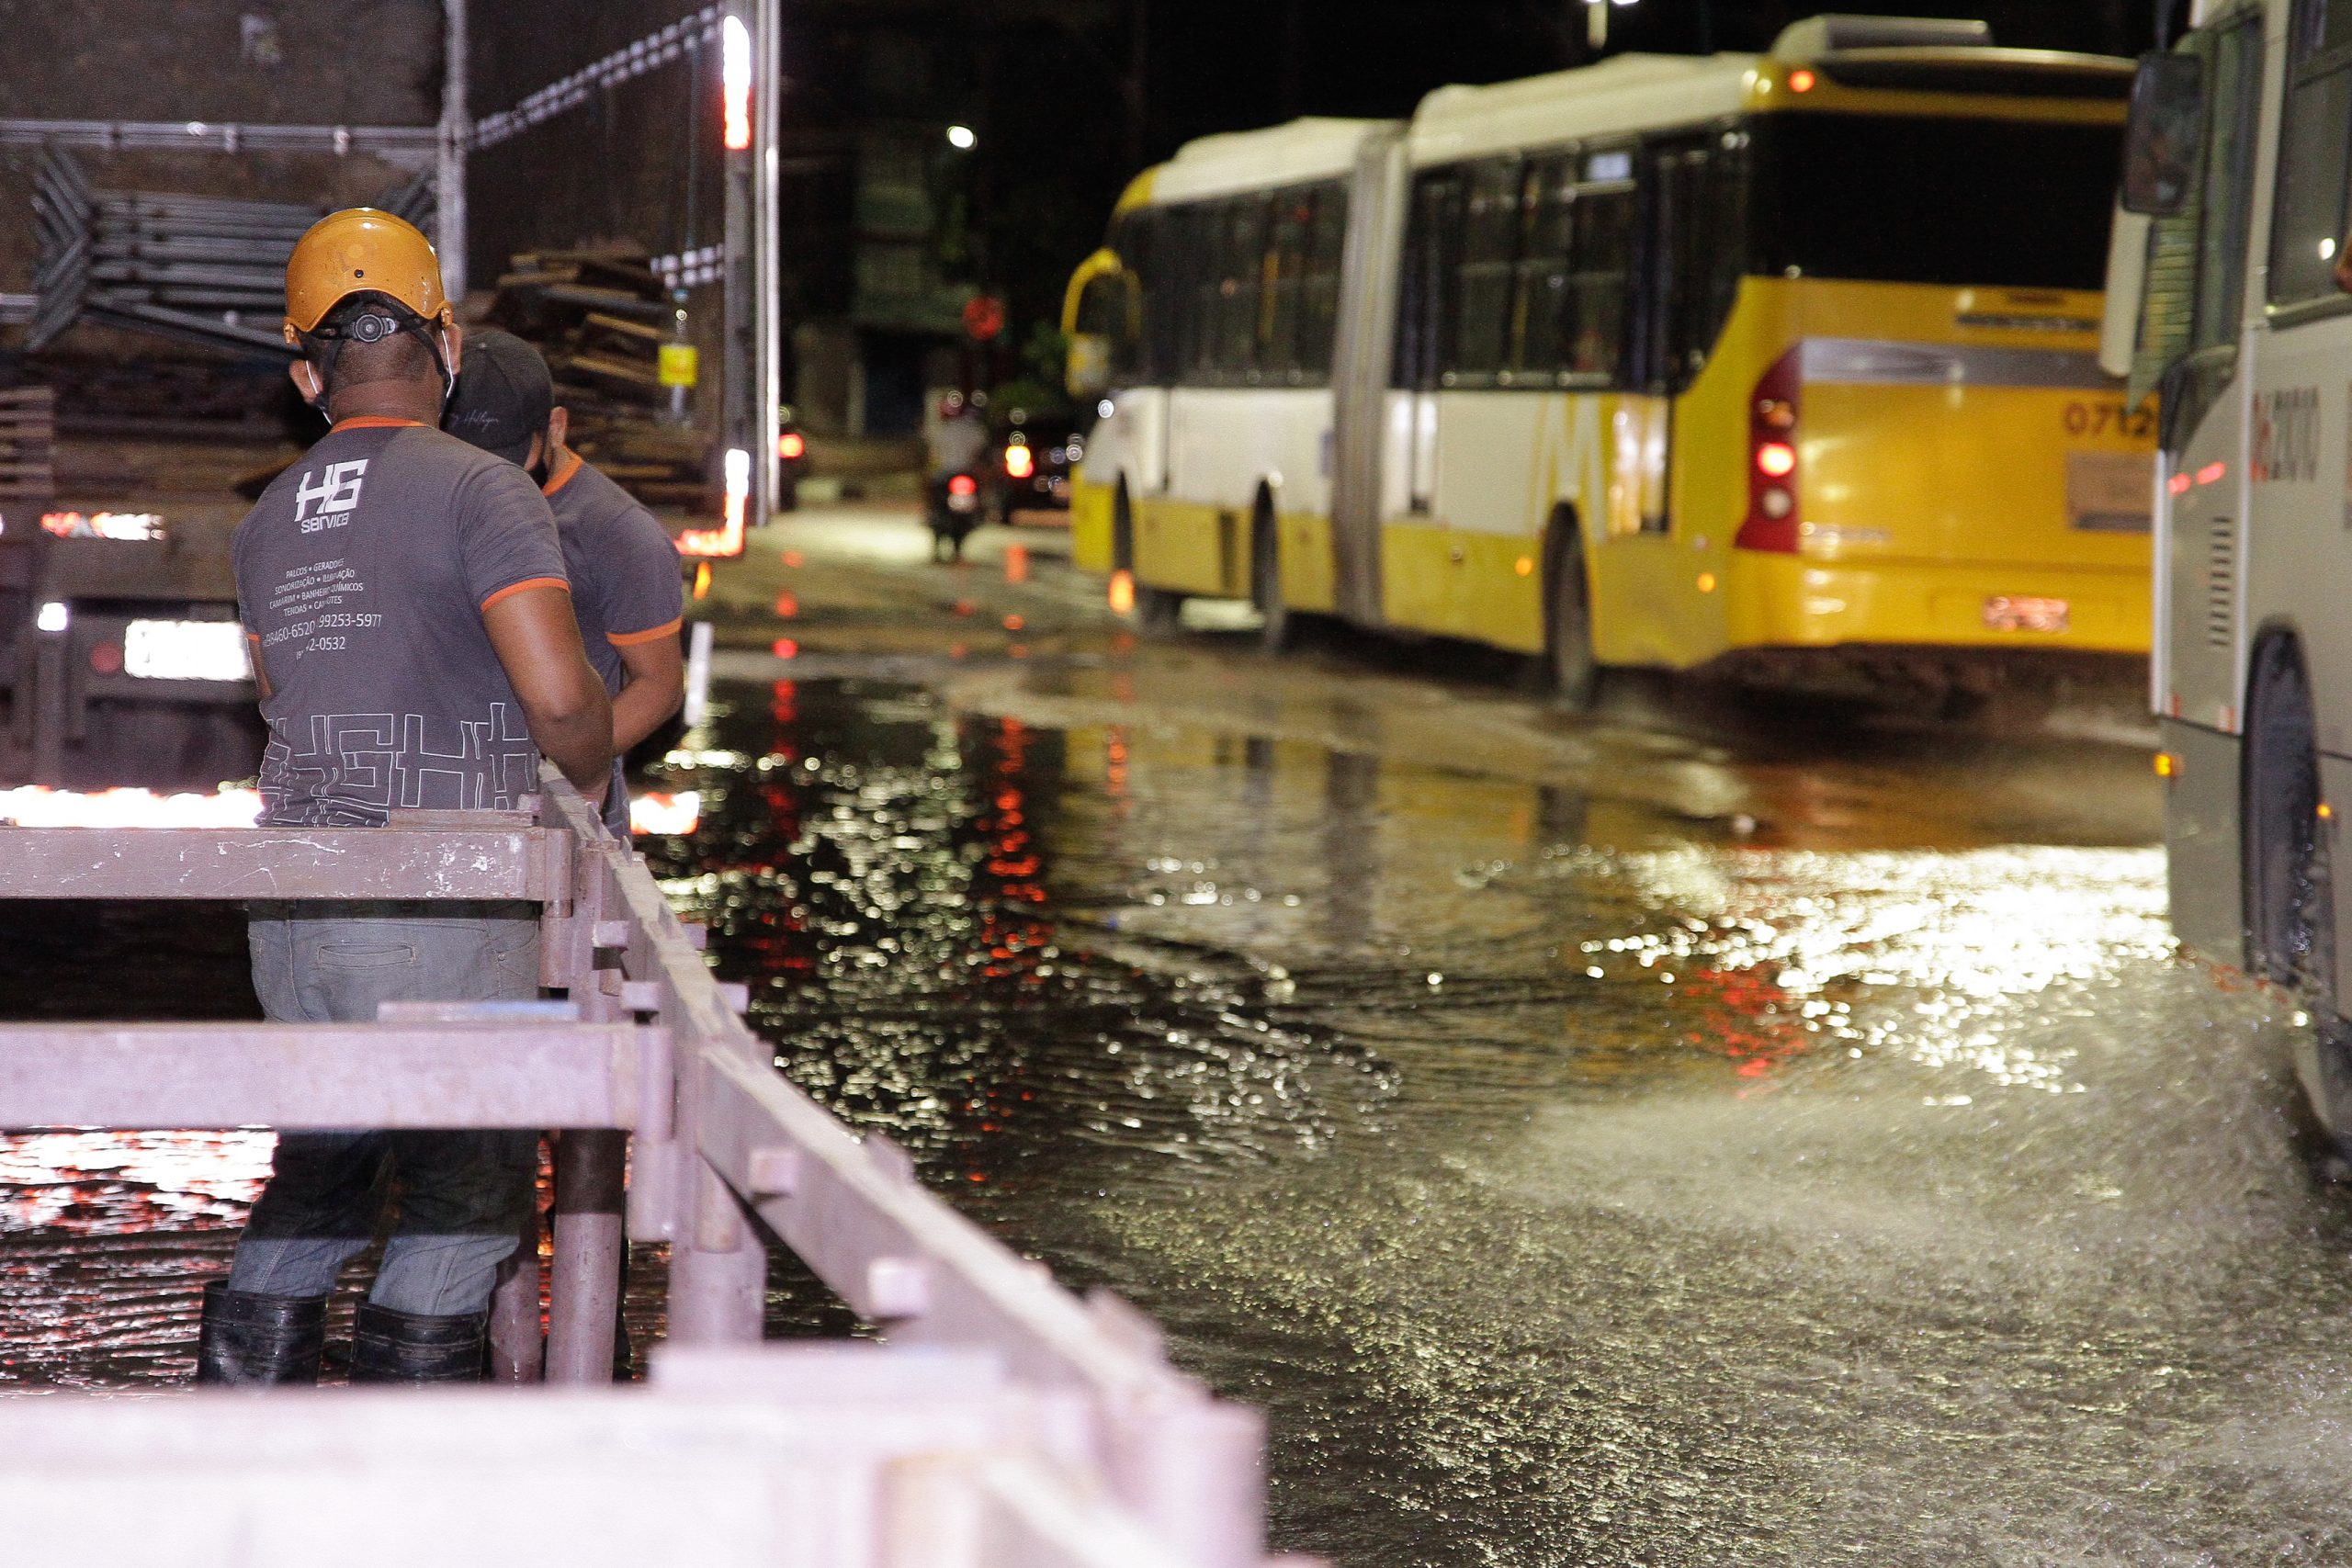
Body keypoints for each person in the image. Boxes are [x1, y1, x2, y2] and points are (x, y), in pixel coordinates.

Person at [198, 209, 614, 1387]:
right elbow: (560, 696)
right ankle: (397, 1482)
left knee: (323, 1171)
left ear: (305, 370)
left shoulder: (269, 518)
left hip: (295, 910)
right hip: (442, 900)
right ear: (446, 345)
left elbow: (281, 685)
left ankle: (240, 1443)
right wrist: (580, 785)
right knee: (469, 1188)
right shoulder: (485, 490)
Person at [444, 328, 685, 836]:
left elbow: (658, 686)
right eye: (467, 459)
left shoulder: (617, 534)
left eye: (508, 459)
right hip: (445, 781)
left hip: (555, 799)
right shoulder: (432, 492)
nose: (489, 479)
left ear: (555, 427)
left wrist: (563, 773)